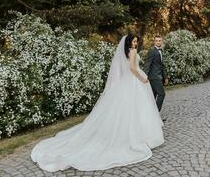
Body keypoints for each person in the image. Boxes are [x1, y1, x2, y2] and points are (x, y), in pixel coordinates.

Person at [31, 34, 164, 172]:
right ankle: (141, 136)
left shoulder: (125, 52)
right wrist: (142, 79)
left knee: (130, 109)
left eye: (136, 41)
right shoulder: (133, 51)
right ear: (129, 43)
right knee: (136, 108)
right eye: (134, 41)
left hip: (126, 82)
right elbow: (132, 68)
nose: (136, 43)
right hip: (133, 81)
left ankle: (134, 133)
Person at [143, 35, 168, 112]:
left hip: (159, 77)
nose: (158, 42)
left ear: (161, 41)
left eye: (159, 40)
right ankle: (156, 114)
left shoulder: (160, 51)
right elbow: (147, 64)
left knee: (153, 96)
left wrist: (165, 77)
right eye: (156, 40)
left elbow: (161, 65)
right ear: (154, 42)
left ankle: (150, 116)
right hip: (154, 77)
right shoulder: (152, 51)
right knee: (162, 94)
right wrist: (145, 76)